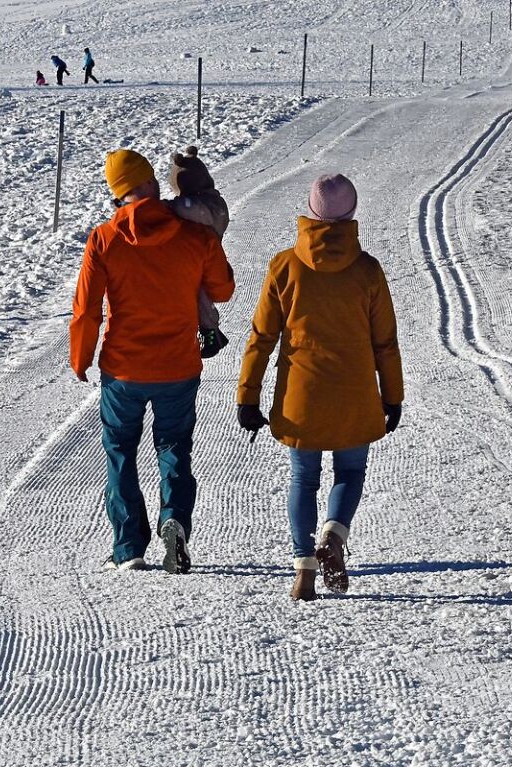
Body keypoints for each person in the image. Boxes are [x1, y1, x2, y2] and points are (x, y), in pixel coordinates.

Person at [236, 174, 403, 601]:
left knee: (303, 477)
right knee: (350, 471)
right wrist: (393, 396)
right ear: (351, 213)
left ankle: (303, 569)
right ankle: (333, 533)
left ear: (310, 211)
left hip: (301, 396)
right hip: (355, 394)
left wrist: (248, 395)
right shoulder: (367, 270)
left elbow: (261, 337)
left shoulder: (284, 266)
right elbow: (385, 341)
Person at [70, 149, 235, 574]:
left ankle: (128, 548)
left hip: (123, 369)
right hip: (178, 366)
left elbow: (87, 309)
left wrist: (80, 356)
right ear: (152, 183)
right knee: (173, 446)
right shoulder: (193, 234)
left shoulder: (104, 238)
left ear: (117, 193)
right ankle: (174, 518)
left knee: (120, 450)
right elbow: (223, 289)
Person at [168, 146, 232, 357]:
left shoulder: (204, 207)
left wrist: (163, 206)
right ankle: (213, 333)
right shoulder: (214, 201)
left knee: (201, 297)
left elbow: (183, 208)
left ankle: (211, 335)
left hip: (207, 261)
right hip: (208, 256)